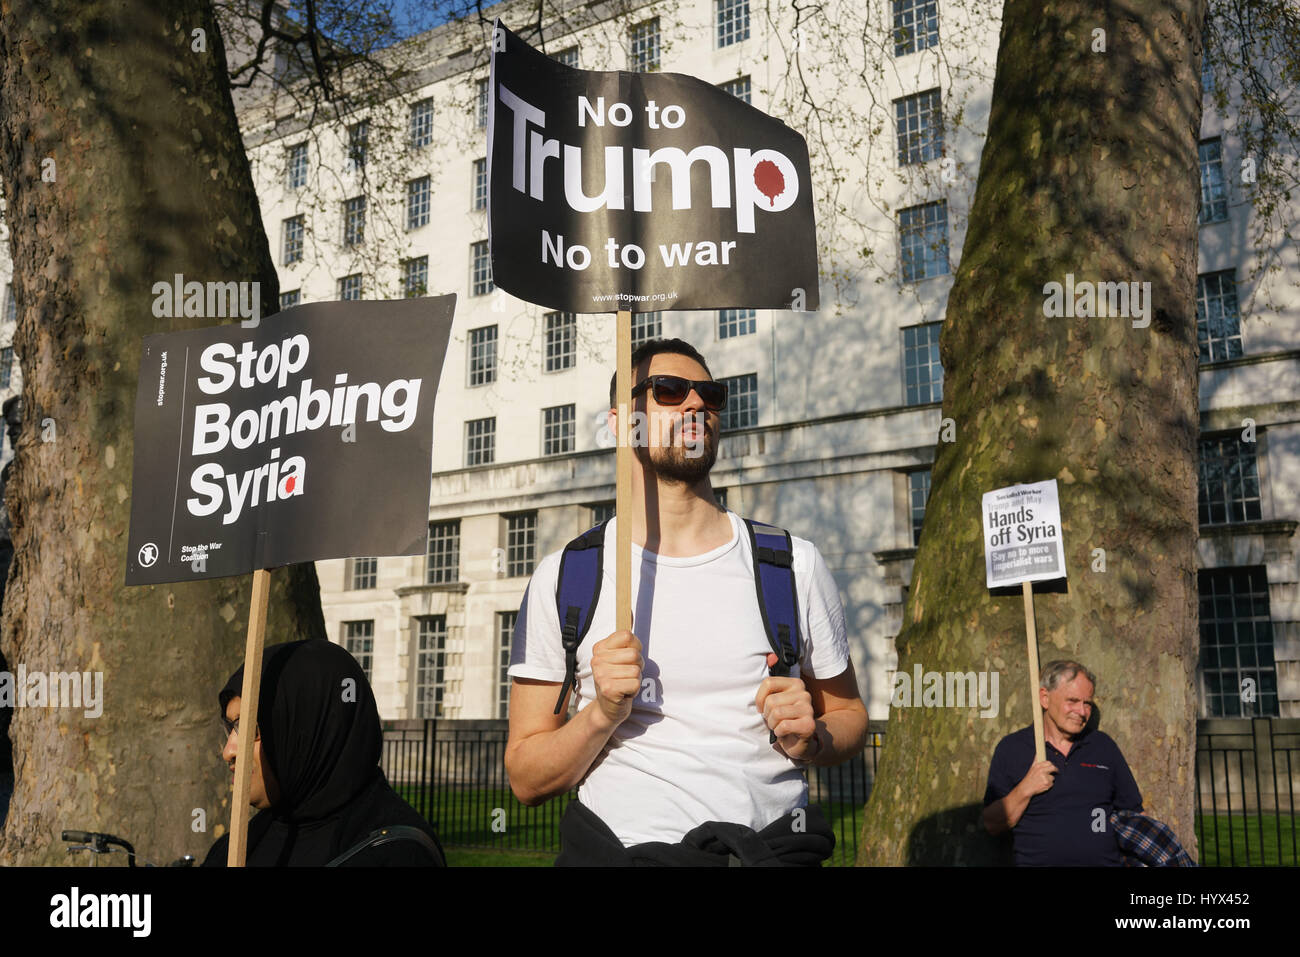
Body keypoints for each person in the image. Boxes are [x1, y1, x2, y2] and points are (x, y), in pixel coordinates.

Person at [506, 338, 868, 865]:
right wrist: (602, 714)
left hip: (771, 851)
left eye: (710, 394)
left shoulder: (793, 564)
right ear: (619, 421)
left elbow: (849, 715)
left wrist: (812, 738)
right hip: (625, 853)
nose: (696, 405)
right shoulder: (565, 576)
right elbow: (525, 776)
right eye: (669, 391)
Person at [201, 639, 445, 866]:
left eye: (249, 728)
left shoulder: (395, 854)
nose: (228, 751)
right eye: (231, 727)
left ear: (307, 729)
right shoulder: (241, 845)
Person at [982, 659, 1142, 865]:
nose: (1082, 711)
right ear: (1045, 698)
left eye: (1087, 704)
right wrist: (1026, 788)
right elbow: (992, 823)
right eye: (1072, 701)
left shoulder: (1103, 747)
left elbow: (1136, 814)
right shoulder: (1013, 749)